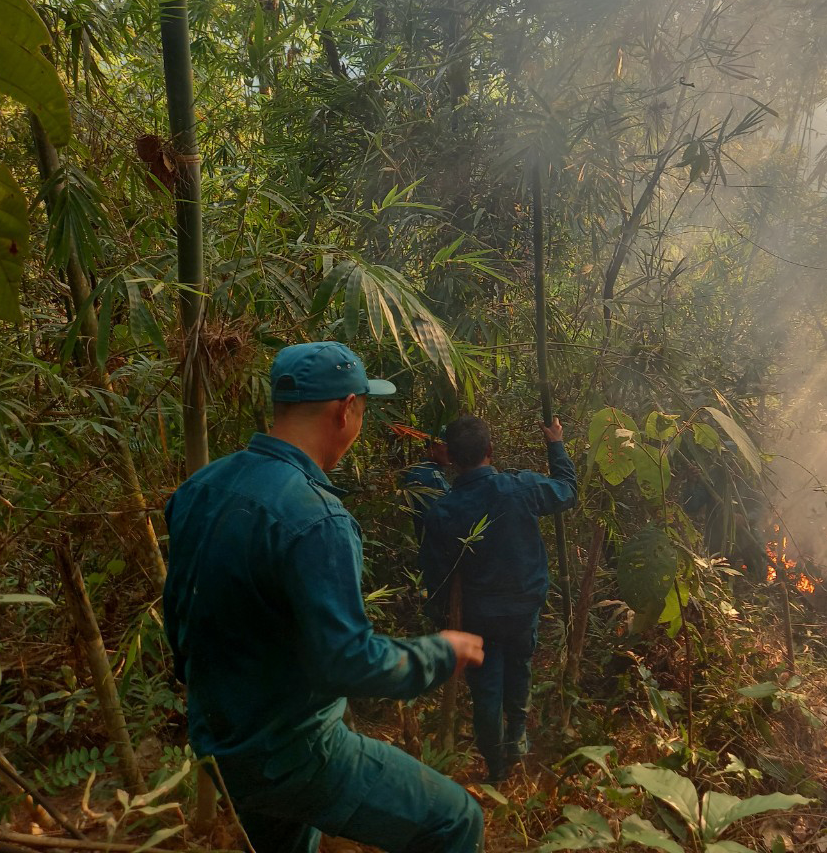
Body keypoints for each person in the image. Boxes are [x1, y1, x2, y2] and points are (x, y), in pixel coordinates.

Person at [162, 342, 486, 853]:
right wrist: (440, 651)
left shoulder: (200, 488)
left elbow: (180, 623)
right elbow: (346, 663)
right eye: (363, 407)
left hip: (220, 743)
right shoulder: (318, 518)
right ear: (345, 409)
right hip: (294, 753)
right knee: (455, 819)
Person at [419, 415, 577, 783]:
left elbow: (435, 573)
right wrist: (556, 444)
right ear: (490, 450)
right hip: (524, 607)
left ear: (453, 459)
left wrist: (441, 618)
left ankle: (497, 769)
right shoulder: (519, 488)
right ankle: (517, 744)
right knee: (519, 669)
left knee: (486, 687)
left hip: (479, 615)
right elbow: (567, 490)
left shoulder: (444, 511)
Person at [401, 433, 452, 543]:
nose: (452, 450)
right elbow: (437, 521)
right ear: (432, 447)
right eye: (447, 445)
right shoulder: (430, 476)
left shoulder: (419, 470)